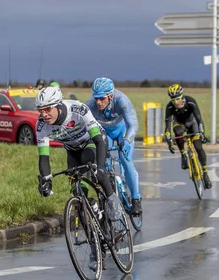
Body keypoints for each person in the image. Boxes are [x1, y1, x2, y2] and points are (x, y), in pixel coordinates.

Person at [35, 86, 122, 220]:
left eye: (47, 109)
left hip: (93, 141)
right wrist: (46, 180)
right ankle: (92, 206)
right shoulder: (41, 125)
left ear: (58, 105)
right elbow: (43, 157)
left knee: (93, 167)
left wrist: (100, 167)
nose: (44, 115)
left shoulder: (77, 110)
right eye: (40, 110)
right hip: (72, 150)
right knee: (77, 191)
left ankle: (112, 200)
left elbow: (98, 140)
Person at [85, 77, 142, 215]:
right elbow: (84, 126)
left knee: (125, 159)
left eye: (102, 98)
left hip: (122, 131)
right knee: (102, 160)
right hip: (105, 132)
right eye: (96, 98)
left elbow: (133, 124)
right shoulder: (90, 105)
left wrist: (128, 140)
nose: (98, 102)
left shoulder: (121, 100)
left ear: (111, 96)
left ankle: (136, 198)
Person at [164, 84, 212, 189]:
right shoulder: (170, 107)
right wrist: (169, 141)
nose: (176, 102)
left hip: (192, 123)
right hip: (179, 124)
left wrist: (202, 132)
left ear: (182, 96)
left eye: (178, 99)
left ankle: (205, 173)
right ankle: (183, 155)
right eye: (173, 100)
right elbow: (167, 127)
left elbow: (199, 119)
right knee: (178, 132)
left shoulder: (190, 101)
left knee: (199, 147)